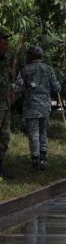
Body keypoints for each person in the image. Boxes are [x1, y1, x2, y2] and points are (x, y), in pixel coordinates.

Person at [15, 45, 61, 170]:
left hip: (31, 107)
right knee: (43, 132)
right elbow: (56, 88)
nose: (26, 56)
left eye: (28, 54)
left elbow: (18, 88)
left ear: (32, 55)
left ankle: (35, 160)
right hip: (45, 106)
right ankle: (43, 159)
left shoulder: (25, 70)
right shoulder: (49, 69)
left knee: (33, 133)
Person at [0, 32, 12, 180]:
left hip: (5, 106)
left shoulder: (5, 59)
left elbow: (8, 78)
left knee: (4, 139)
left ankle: (1, 168)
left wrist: (12, 89)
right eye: (4, 44)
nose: (6, 47)